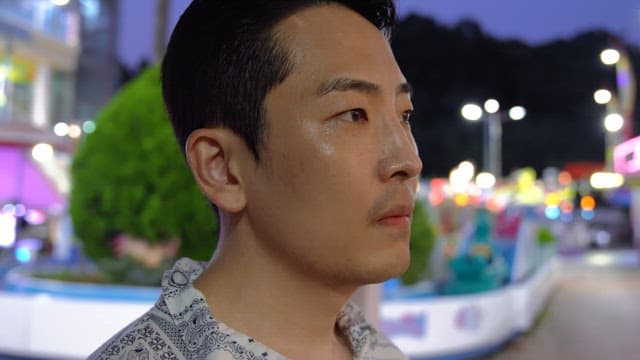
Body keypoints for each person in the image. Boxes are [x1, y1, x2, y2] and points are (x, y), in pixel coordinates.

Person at [89, 0, 422, 359]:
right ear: (222, 168)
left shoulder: (379, 351)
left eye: (404, 115)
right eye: (354, 114)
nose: (408, 160)